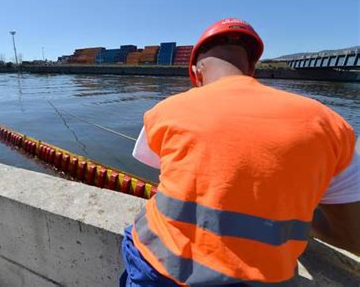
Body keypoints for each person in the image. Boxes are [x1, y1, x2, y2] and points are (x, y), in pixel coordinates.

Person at [120, 18, 359, 286]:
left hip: (156, 269)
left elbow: (177, 178)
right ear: (252, 67)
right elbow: (352, 235)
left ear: (197, 73)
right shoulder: (330, 125)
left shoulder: (164, 111)